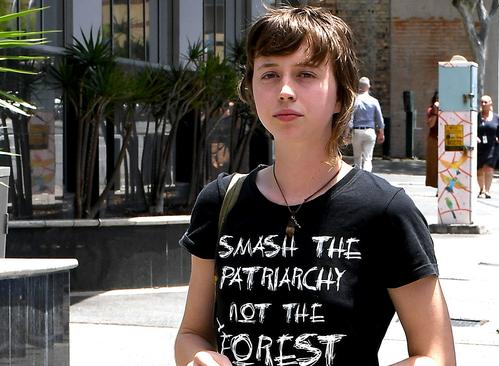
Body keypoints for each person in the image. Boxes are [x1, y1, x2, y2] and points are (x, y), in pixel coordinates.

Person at [174, 6, 455, 366]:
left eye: (306, 74)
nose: (286, 90)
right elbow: (191, 333)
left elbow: (436, 355)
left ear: (341, 95)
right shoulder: (221, 201)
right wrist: (198, 358)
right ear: (251, 88)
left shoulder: (386, 211)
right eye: (270, 74)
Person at [348, 76, 384, 172]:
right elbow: (379, 118)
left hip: (357, 130)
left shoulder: (354, 100)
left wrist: (347, 132)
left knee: (357, 158)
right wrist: (381, 132)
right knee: (368, 158)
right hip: (370, 131)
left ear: (359, 87)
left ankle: (357, 179)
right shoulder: (374, 101)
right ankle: (367, 178)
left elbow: (350, 118)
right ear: (368, 87)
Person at [476, 95, 499, 199]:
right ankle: (481, 189)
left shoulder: (496, 117)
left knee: (488, 168)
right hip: (479, 146)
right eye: (482, 102)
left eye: (485, 102)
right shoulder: (477, 117)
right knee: (479, 169)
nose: (483, 104)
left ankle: (486, 190)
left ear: (490, 103)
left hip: (492, 146)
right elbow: (472, 129)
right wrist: (475, 137)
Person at [425, 91, 439, 189]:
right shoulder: (431, 110)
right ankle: (436, 184)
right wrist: (435, 112)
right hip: (434, 138)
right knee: (434, 163)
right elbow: (431, 124)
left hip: (446, 138)